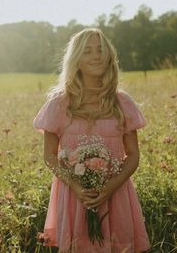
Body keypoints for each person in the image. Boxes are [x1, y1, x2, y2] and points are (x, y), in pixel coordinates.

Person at [33, 28, 151, 253]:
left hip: (115, 194)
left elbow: (133, 154)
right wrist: (78, 187)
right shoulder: (59, 103)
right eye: (87, 51)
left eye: (100, 50)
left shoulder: (122, 102)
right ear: (76, 59)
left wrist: (107, 188)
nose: (96, 56)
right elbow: (49, 155)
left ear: (109, 56)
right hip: (74, 195)